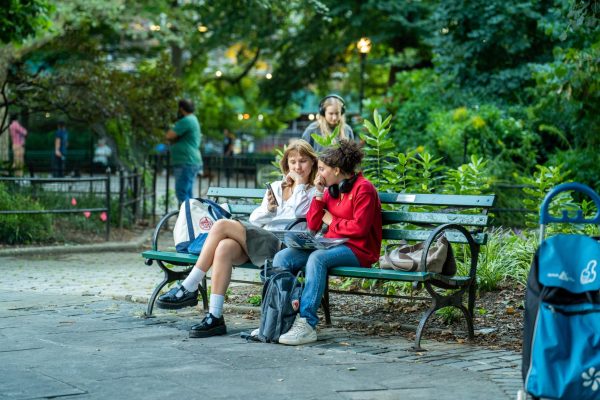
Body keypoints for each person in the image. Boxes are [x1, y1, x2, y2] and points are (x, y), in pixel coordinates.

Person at [156, 139, 319, 338]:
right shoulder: (277, 187)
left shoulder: (315, 191)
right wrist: (269, 209)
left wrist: (300, 185)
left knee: (222, 225)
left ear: (312, 163)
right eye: (293, 161)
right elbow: (256, 219)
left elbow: (300, 215)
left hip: (285, 246)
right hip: (262, 241)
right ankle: (215, 316)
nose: (297, 166)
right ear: (286, 164)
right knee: (224, 247)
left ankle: (189, 285)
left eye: (302, 161)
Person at [272, 139, 382, 345]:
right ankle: (279, 316)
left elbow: (360, 229)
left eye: (322, 169)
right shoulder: (332, 189)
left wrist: (333, 221)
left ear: (337, 170)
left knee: (317, 258)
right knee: (282, 257)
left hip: (359, 251)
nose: (319, 173)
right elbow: (313, 225)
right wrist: (319, 195)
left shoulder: (363, 189)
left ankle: (306, 324)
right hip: (331, 245)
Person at [165, 99, 203, 204]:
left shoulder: (187, 120)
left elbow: (169, 135)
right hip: (190, 161)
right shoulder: (193, 119)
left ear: (181, 108)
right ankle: (190, 218)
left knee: (181, 193)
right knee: (188, 193)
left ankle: (187, 218)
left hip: (186, 161)